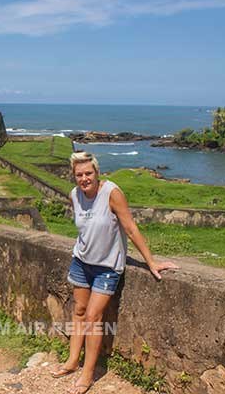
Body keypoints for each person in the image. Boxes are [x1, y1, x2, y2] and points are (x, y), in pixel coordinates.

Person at [51, 151, 179, 394]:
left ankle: (88, 373)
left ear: (97, 172)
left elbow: (130, 228)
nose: (84, 178)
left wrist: (151, 262)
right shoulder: (74, 195)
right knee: (78, 311)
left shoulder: (112, 193)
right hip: (81, 261)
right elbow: (85, 229)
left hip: (107, 267)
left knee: (93, 317)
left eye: (88, 173)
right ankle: (71, 361)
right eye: (79, 174)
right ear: (74, 176)